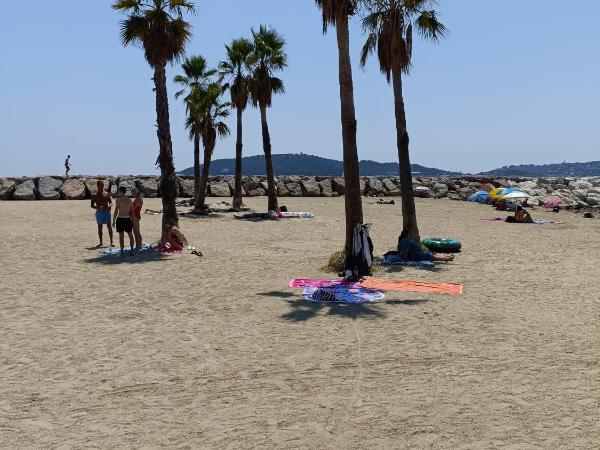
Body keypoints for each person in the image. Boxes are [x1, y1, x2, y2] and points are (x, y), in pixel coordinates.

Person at [90, 180, 113, 247]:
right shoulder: (94, 195)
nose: (102, 186)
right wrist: (97, 207)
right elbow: (92, 205)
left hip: (107, 212)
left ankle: (111, 242)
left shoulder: (107, 193)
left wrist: (110, 206)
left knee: (109, 226)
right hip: (99, 213)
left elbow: (111, 202)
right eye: (100, 185)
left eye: (102, 185)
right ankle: (101, 242)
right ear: (97, 186)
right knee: (100, 228)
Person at [112, 186, 134, 255]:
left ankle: (122, 251)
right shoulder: (130, 200)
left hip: (120, 219)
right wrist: (133, 220)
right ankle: (132, 250)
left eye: (118, 191)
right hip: (128, 219)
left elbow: (116, 211)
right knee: (130, 235)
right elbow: (132, 211)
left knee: (121, 236)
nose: (117, 193)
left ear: (121, 192)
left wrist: (113, 221)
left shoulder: (118, 200)